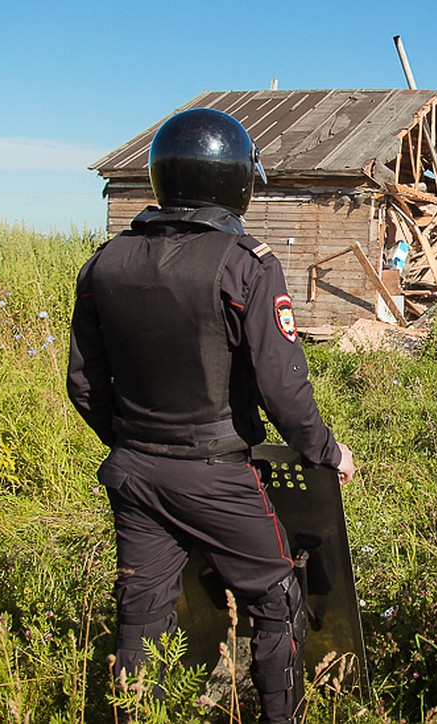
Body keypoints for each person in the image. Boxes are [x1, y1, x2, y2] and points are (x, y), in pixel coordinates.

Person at [67, 107, 355, 724]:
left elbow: (85, 385)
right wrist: (327, 451)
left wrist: (136, 441)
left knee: (141, 610)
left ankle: (134, 714)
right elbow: (283, 388)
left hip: (133, 471)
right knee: (277, 598)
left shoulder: (104, 263)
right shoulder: (244, 263)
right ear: (233, 180)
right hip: (218, 473)